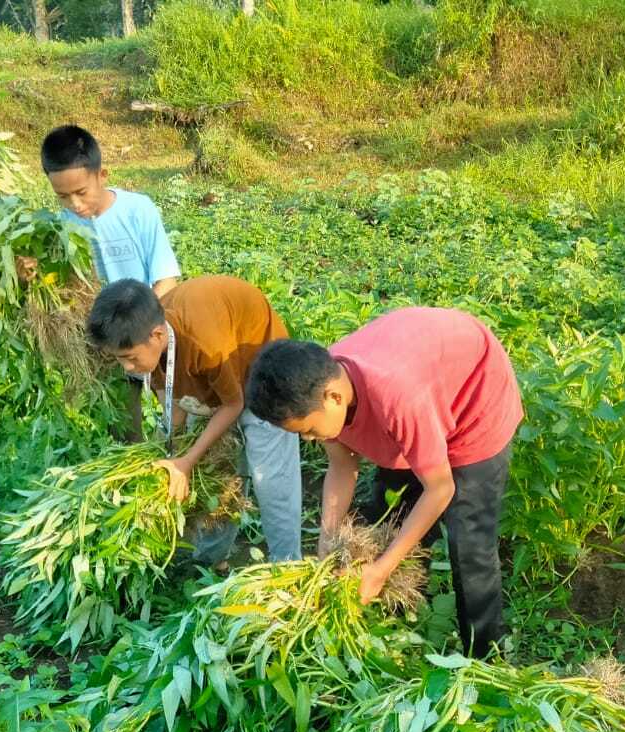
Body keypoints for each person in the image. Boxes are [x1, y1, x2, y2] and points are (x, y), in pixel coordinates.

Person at [244, 307, 523, 656]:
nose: (311, 440)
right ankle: (400, 614)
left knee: (469, 541)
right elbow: (342, 469)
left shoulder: (398, 399)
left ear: (334, 397)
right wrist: (327, 543)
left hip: (474, 396)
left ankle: (484, 655)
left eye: (311, 431)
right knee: (391, 513)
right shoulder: (319, 388)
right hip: (422, 384)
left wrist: (381, 568)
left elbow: (441, 489)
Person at [87, 276, 302, 561]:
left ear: (158, 336)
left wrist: (187, 461)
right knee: (214, 474)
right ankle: (209, 560)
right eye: (118, 359)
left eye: (130, 358)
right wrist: (170, 447)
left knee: (271, 477)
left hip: (264, 376)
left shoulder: (203, 342)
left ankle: (287, 565)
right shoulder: (149, 335)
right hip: (219, 374)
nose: (127, 367)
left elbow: (234, 403)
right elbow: (174, 398)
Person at [42, 124, 181, 297]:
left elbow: (167, 281)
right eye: (63, 196)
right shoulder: (61, 226)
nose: (75, 204)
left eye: (81, 192)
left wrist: (139, 320)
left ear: (102, 176)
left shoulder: (138, 211)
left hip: (142, 317)